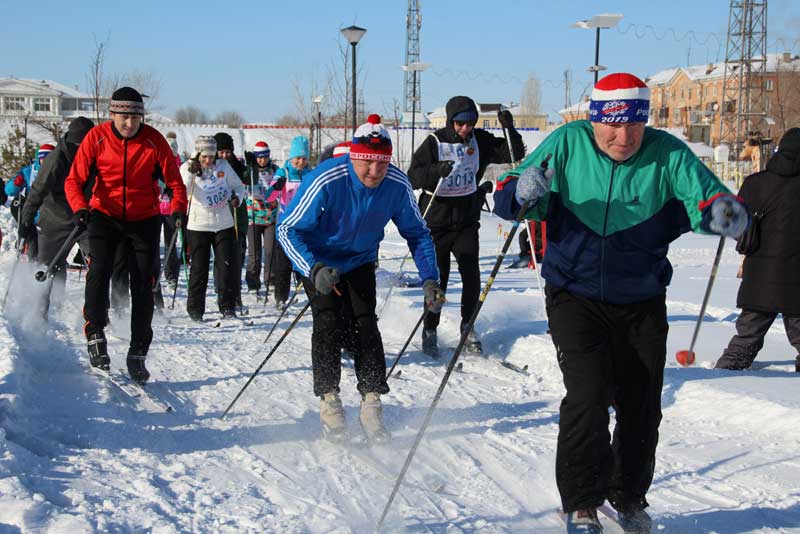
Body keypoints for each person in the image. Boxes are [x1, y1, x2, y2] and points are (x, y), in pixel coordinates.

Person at [493, 73, 748, 534]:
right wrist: (521, 193)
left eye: (634, 124)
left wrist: (722, 214)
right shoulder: (568, 142)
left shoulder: (667, 153)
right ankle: (582, 501)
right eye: (611, 125)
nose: (623, 136)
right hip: (574, 293)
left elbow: (706, 196)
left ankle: (628, 495)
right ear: (594, 120)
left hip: (641, 298)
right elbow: (508, 197)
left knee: (642, 404)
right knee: (588, 397)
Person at [277, 114, 442, 443]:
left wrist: (429, 279)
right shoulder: (327, 178)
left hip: (360, 259)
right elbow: (287, 228)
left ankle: (371, 402)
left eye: (381, 163)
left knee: (366, 325)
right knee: (327, 322)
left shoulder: (395, 184)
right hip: (319, 260)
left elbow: (418, 234)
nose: (374, 171)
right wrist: (313, 269)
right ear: (354, 155)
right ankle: (329, 401)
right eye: (367, 162)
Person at [64, 87, 188, 384]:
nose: (129, 124)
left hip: (143, 219)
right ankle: (95, 332)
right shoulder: (97, 138)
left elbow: (176, 185)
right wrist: (81, 208)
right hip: (103, 216)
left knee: (144, 284)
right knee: (99, 271)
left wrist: (179, 209)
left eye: (135, 118)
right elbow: (74, 181)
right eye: (123, 117)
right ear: (112, 115)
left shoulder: (154, 141)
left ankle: (138, 351)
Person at [408, 96, 525, 357]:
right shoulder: (435, 142)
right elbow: (412, 176)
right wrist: (435, 170)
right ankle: (430, 328)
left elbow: (514, 154)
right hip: (436, 221)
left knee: (472, 277)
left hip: (466, 220)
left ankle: (467, 325)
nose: (465, 128)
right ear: (451, 120)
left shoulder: (479, 140)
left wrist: (509, 128)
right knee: (440, 280)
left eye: (470, 123)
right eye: (460, 123)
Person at [715, 128, 800, 373]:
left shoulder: (756, 182)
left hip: (760, 276)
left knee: (747, 337)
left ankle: (720, 378)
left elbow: (734, 224)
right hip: (796, 278)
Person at [19, 119, 94, 318]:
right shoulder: (56, 159)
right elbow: (38, 189)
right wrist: (26, 218)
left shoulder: (96, 154)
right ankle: (38, 313)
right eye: (78, 145)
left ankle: (99, 313)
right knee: (47, 267)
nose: (81, 149)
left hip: (86, 217)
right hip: (55, 218)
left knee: (99, 263)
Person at [181, 136, 246, 321]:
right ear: (198, 154)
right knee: (199, 268)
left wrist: (237, 199)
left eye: (212, 156)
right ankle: (195, 310)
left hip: (223, 223)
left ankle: (227, 307)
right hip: (198, 224)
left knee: (226, 267)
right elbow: (180, 190)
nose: (208, 161)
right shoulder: (188, 167)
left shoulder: (223, 166)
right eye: (204, 157)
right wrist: (191, 175)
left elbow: (239, 187)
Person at [271, 135, 312, 309]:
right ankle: (281, 297)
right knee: (284, 264)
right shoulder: (283, 172)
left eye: (304, 159)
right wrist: (276, 187)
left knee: (304, 260)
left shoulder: (310, 174)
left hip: (304, 224)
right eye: (297, 158)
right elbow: (269, 197)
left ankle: (308, 293)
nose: (300, 162)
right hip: (285, 225)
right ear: (291, 157)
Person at [242, 140, 282, 299]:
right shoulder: (251, 170)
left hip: (270, 216)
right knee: (254, 253)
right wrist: (248, 169)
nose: (262, 160)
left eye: (265, 157)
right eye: (259, 157)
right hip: (253, 216)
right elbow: (243, 182)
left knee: (270, 250)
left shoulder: (275, 170)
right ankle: (253, 282)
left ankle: (270, 280)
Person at [214, 132, 248, 313]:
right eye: (221, 152)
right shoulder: (212, 167)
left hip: (238, 219)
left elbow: (251, 181)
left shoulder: (239, 166)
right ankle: (222, 293)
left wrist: (251, 168)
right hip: (220, 220)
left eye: (228, 152)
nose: (224, 156)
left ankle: (236, 295)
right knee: (222, 260)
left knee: (237, 258)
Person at [6, 143, 55, 260]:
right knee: (31, 235)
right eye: (44, 160)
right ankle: (30, 257)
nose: (47, 163)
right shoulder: (29, 171)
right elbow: (10, 191)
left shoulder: (60, 171)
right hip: (33, 214)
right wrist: (16, 183)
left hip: (53, 215)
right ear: (39, 159)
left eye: (50, 160)